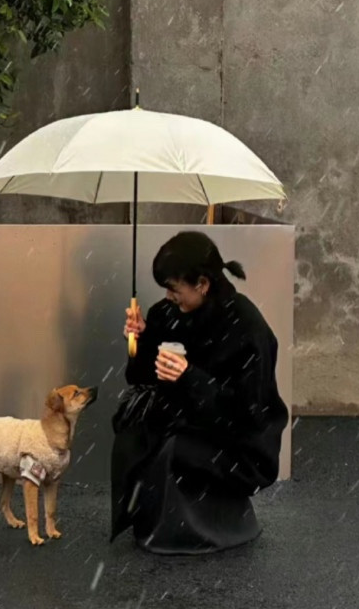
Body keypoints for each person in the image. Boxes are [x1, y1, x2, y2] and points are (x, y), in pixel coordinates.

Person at [110, 231, 289, 555]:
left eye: (174, 289)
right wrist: (141, 340)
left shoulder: (247, 327)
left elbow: (248, 412)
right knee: (133, 428)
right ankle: (151, 521)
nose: (168, 297)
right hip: (188, 416)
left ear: (203, 284)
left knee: (173, 448)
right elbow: (139, 377)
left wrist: (190, 376)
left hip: (238, 441)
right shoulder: (168, 312)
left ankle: (188, 529)